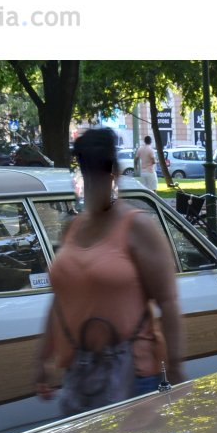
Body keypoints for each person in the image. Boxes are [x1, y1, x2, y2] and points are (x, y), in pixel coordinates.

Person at [35, 128, 185, 414]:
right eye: (87, 172)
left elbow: (168, 302)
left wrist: (175, 369)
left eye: (99, 172)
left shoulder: (138, 227)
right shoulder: (72, 229)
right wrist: (43, 358)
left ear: (114, 172)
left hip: (134, 378)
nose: (94, 182)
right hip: (81, 376)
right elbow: (60, 299)